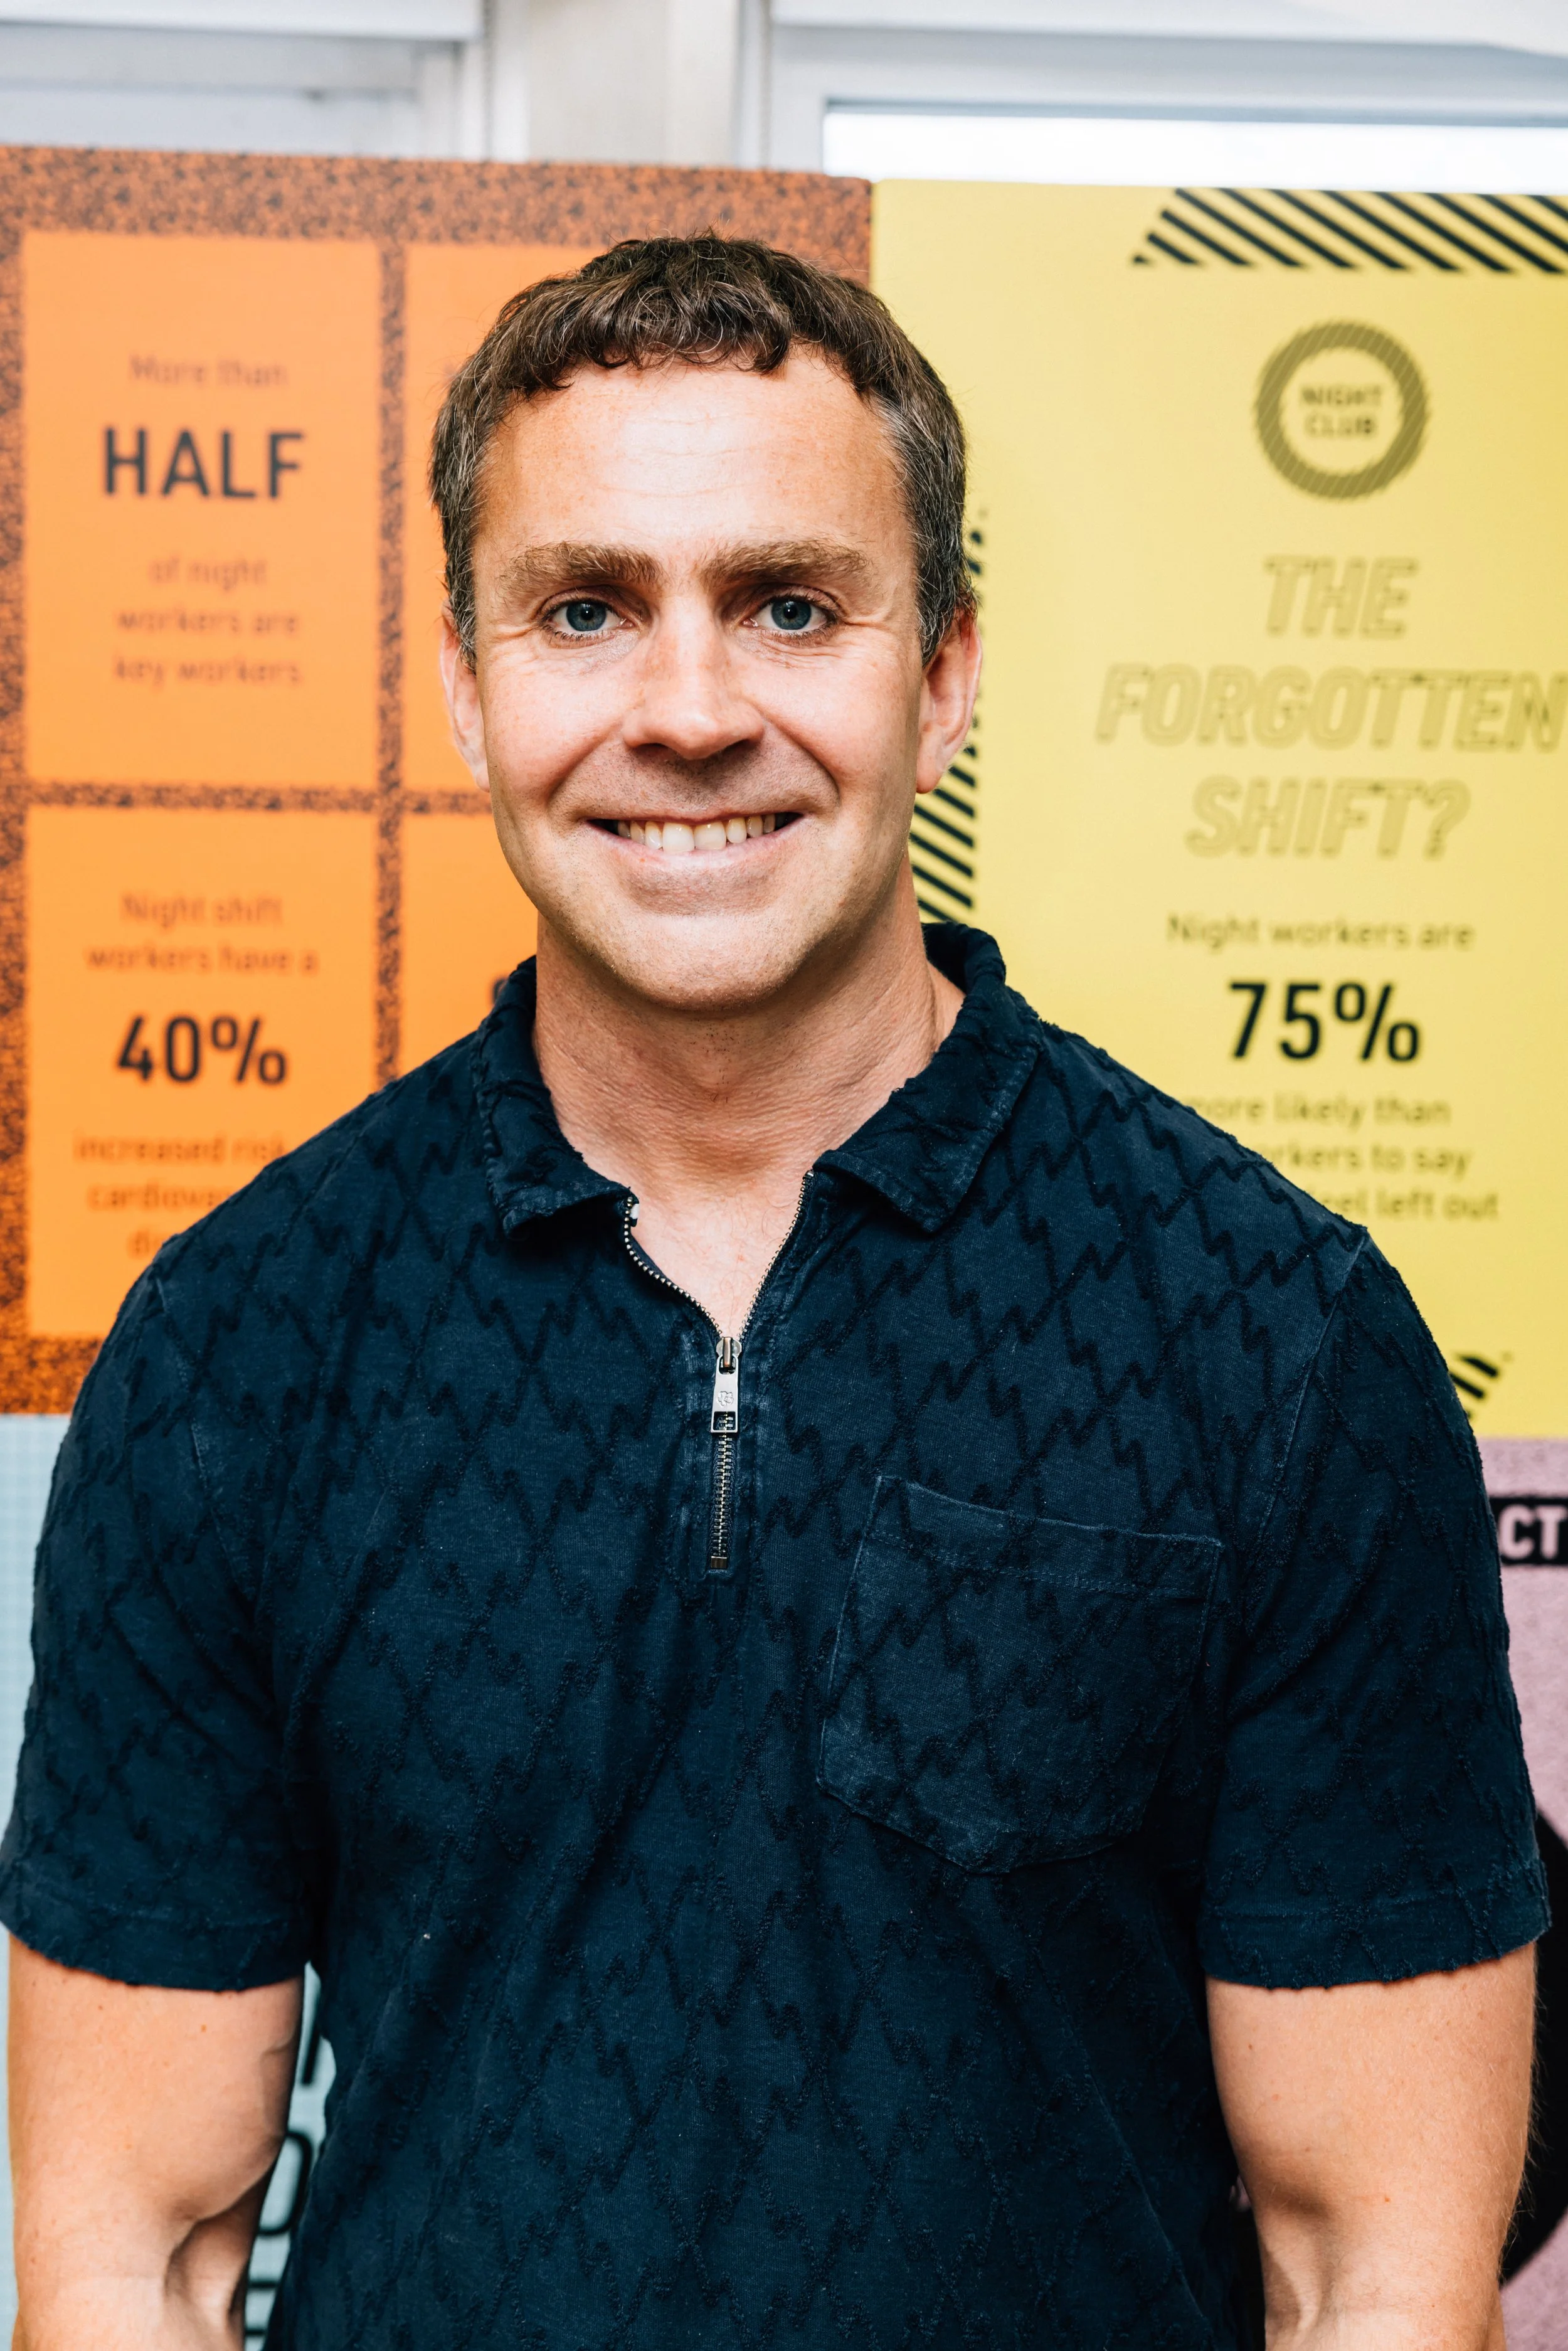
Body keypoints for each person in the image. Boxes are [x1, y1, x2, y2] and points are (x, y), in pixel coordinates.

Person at [0, 235, 1545, 2351]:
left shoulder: (1274, 1340)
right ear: (468, 681)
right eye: (586, 610)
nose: (693, 707)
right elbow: (135, 2254)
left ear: (946, 671)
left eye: (789, 604)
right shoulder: (236, 1351)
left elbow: (1368, 2264)